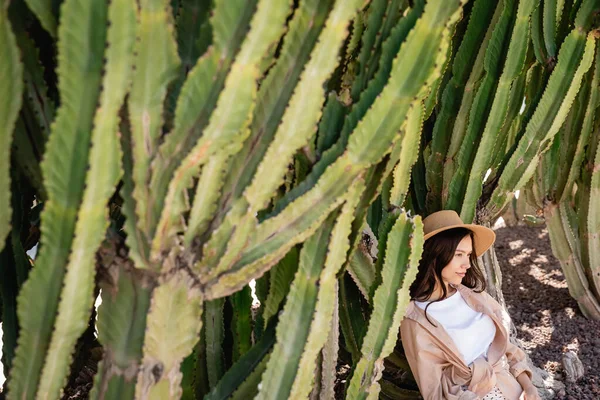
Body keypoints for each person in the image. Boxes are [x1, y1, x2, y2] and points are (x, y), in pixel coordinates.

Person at [400, 210, 541, 400]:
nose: (467, 264)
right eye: (459, 254)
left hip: (513, 387)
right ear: (435, 255)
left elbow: (507, 348)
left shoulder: (474, 296)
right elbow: (434, 389)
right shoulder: (416, 320)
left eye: (468, 254)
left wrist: (529, 386)